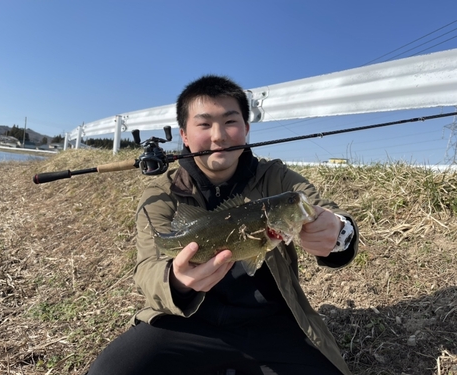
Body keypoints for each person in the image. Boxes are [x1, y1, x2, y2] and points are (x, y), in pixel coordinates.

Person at [87, 75, 358, 375]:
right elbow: (147, 268)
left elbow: (326, 212)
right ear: (184, 136)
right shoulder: (160, 193)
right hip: (186, 323)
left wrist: (338, 231)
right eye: (204, 124)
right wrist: (176, 281)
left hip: (273, 323)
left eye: (230, 121)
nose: (219, 136)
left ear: (246, 128)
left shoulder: (278, 180)